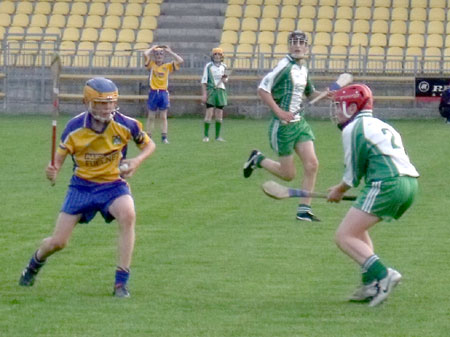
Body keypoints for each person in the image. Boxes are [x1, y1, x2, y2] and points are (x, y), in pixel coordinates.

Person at [19, 77, 155, 298]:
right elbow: (57, 163)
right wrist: (52, 172)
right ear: (87, 103)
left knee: (128, 214)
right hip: (81, 187)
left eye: (110, 103)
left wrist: (137, 162)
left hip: (113, 184)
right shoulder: (74, 128)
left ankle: (121, 283)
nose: (107, 108)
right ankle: (35, 263)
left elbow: (149, 145)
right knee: (59, 242)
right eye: (101, 103)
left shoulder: (126, 124)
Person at [326, 84, 419, 307]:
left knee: (344, 236)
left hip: (388, 183)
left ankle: (383, 274)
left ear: (352, 107)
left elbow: (352, 174)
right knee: (357, 231)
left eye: (340, 106)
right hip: (410, 184)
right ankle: (369, 285)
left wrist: (338, 190)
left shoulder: (354, 128)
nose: (337, 112)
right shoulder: (382, 125)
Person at [243, 30, 329, 222]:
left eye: (301, 42)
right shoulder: (284, 67)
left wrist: (325, 94)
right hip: (283, 126)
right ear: (289, 46)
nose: (297, 46)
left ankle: (304, 210)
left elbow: (310, 93)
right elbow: (263, 90)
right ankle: (258, 159)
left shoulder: (303, 69)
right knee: (288, 175)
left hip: (300, 124)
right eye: (294, 42)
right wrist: (279, 112)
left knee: (312, 165)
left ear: (307, 47)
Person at [144, 44, 184, 144]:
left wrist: (170, 52)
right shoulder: (151, 65)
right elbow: (145, 54)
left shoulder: (168, 66)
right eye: (157, 54)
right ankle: (148, 136)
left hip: (163, 93)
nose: (159, 56)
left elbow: (180, 60)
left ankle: (164, 137)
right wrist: (153, 48)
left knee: (163, 116)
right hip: (153, 92)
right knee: (151, 116)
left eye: (161, 54)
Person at [201, 47, 229, 142]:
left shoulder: (224, 67)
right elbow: (204, 81)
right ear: (212, 56)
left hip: (220, 91)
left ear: (222, 56)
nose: (217, 56)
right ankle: (206, 136)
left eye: (219, 55)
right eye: (215, 54)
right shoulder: (208, 66)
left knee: (219, 114)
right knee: (209, 113)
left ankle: (217, 137)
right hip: (211, 91)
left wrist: (224, 79)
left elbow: (225, 80)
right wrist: (204, 94)